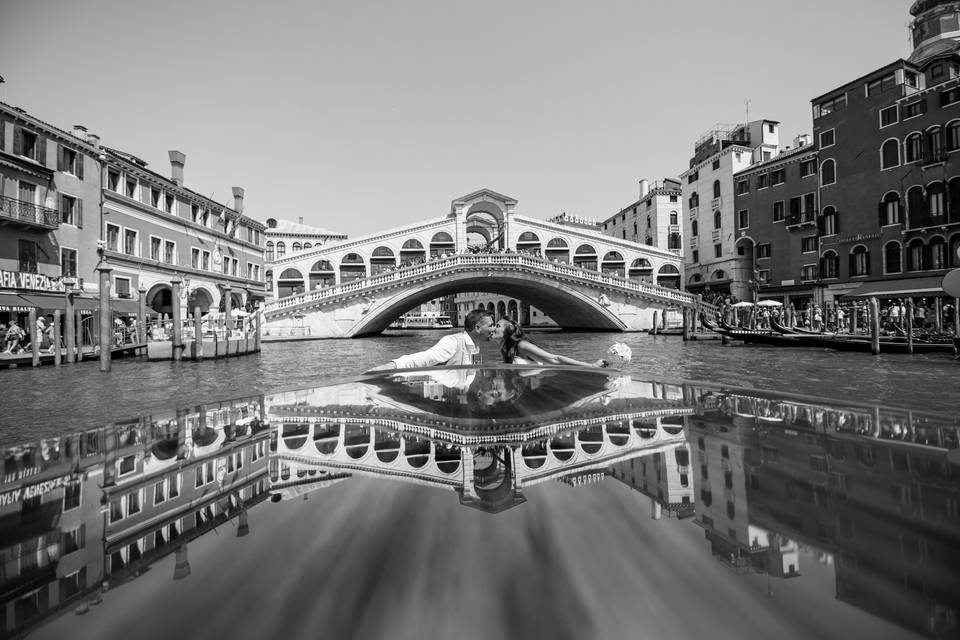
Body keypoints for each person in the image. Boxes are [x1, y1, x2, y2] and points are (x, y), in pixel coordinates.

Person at [368, 309, 495, 371]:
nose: (493, 329)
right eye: (490, 325)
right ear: (477, 328)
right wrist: (389, 367)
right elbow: (424, 358)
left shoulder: (475, 347)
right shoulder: (453, 342)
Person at [492, 317, 606, 367]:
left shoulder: (522, 345)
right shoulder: (505, 348)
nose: (493, 328)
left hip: (538, 389)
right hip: (524, 390)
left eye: (497, 326)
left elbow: (555, 359)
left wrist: (591, 365)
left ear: (509, 329)